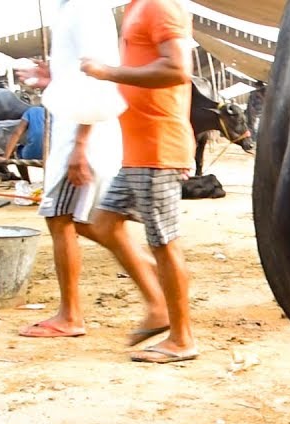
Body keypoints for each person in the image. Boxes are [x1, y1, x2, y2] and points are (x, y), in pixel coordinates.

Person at [80, 0, 197, 363]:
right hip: (138, 149)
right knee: (102, 224)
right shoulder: (136, 7)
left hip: (157, 148)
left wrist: (107, 72)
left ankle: (182, 338)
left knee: (164, 243)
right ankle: (159, 305)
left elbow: (178, 69)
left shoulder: (159, 5)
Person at [16, 0, 130, 341]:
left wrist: (81, 144)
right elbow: (80, 75)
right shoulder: (70, 8)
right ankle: (152, 281)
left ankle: (71, 314)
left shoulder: (84, 8)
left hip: (81, 132)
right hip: (76, 130)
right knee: (85, 222)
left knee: (61, 218)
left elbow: (98, 77)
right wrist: (53, 78)